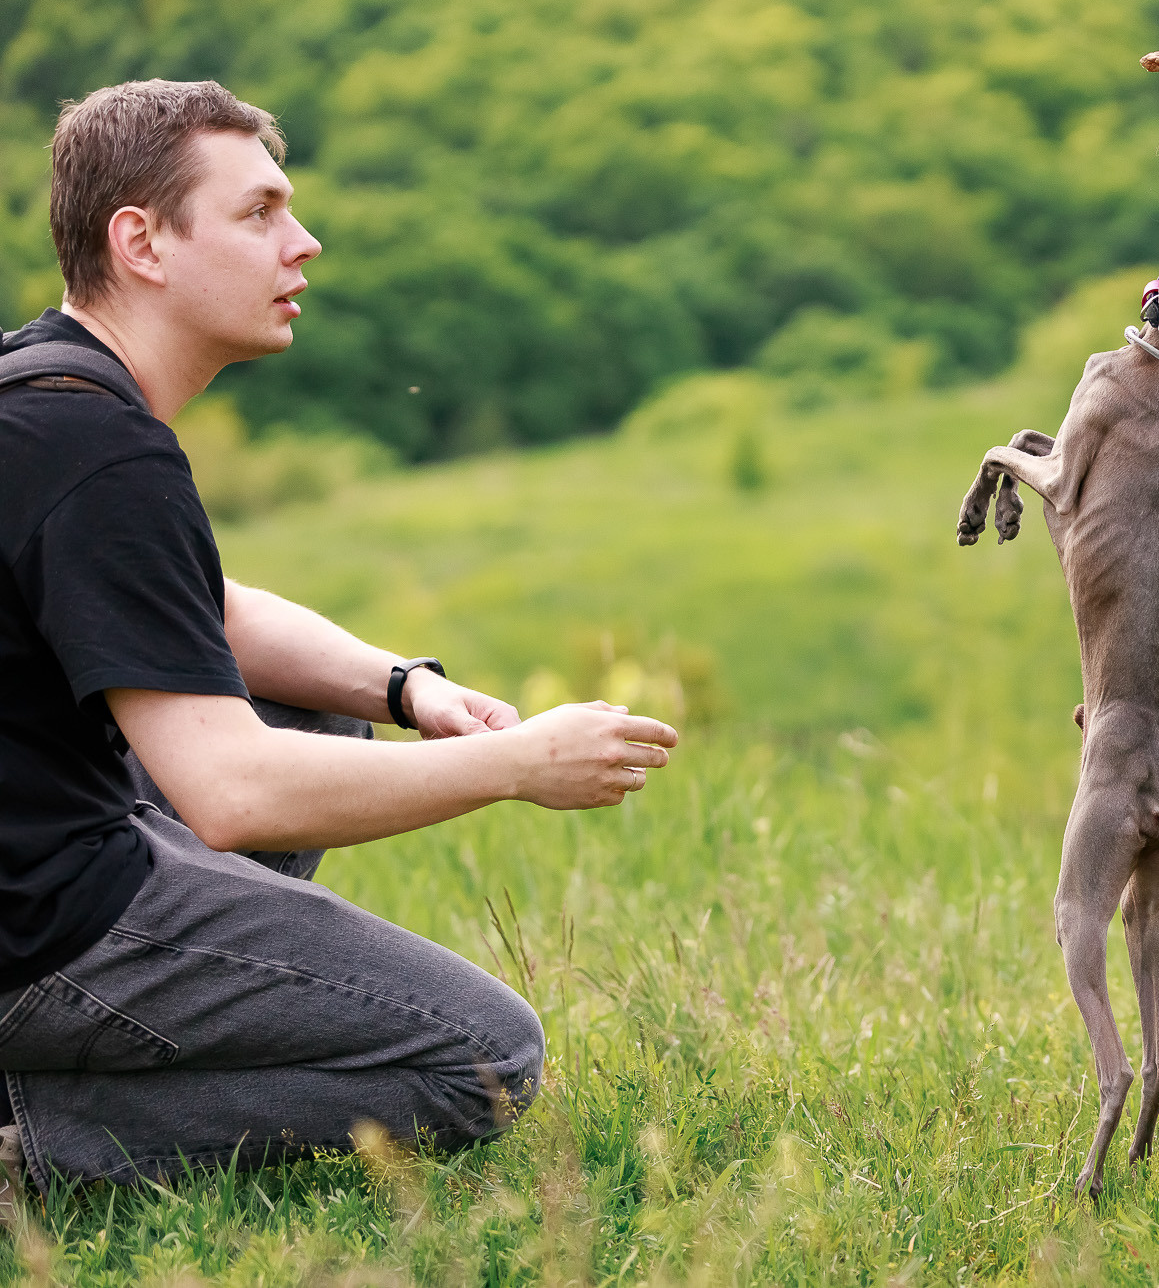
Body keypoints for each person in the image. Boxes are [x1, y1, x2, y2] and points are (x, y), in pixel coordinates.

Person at [0, 79, 677, 1220]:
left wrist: (407, 688)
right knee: (482, 1059)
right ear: (142, 242)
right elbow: (232, 792)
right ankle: (34, 1144)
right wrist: (513, 766)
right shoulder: (102, 452)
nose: (302, 242)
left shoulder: (41, 392)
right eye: (259, 212)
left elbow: (203, 610)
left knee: (323, 710)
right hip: (34, 923)